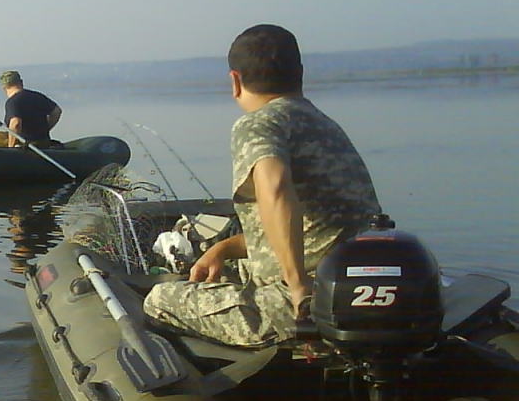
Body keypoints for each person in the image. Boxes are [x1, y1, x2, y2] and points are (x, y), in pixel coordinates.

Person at [143, 24, 381, 347]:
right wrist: (223, 248)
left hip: (309, 302)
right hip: (359, 287)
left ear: (235, 81)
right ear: (300, 74)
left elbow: (276, 186)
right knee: (220, 273)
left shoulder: (258, 124)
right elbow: (309, 228)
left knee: (158, 299)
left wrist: (298, 288)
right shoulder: (324, 125)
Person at [0, 71, 62, 147]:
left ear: (4, 88)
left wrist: (11, 148)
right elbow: (57, 111)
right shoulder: (37, 96)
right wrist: (45, 130)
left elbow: (16, 124)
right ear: (21, 82)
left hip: (28, 143)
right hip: (43, 140)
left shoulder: (12, 102)